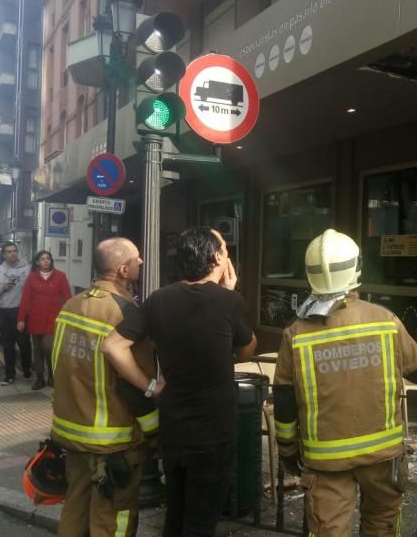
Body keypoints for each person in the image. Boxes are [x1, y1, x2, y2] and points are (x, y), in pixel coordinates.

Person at [273, 229, 417, 536]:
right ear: (356, 268)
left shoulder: (295, 333)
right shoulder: (384, 320)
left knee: (329, 531)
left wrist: (287, 452)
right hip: (383, 457)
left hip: (324, 460)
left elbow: (284, 401)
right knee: (382, 526)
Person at [101, 227, 257, 537]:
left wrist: (151, 387)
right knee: (200, 521)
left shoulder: (159, 299)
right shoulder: (228, 302)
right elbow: (246, 348)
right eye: (226, 251)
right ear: (216, 258)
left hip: (173, 427)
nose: (228, 257)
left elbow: (112, 346)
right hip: (213, 431)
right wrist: (231, 292)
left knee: (176, 514)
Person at [49, 237, 159, 537]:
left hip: (70, 433)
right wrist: (153, 432)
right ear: (123, 269)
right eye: (137, 259)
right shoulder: (127, 314)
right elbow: (134, 386)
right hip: (114, 442)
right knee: (114, 517)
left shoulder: (72, 304)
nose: (141, 262)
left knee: (75, 508)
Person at [17, 250, 71, 390]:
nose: (46, 261)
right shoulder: (32, 277)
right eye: (42, 259)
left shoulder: (60, 276)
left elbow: (67, 297)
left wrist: (69, 316)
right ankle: (40, 377)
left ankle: (52, 376)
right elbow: (25, 299)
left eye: (48, 259)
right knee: (37, 349)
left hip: (54, 318)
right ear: (37, 262)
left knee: (48, 347)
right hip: (35, 318)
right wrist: (21, 319)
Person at [0, 242, 32, 385]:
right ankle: (9, 375)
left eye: (14, 251)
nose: (13, 253)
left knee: (24, 344)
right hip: (5, 312)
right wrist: (2, 287)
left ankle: (26, 368)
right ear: (4, 254)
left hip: (21, 312)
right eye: (9, 251)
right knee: (7, 346)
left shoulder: (27, 268)